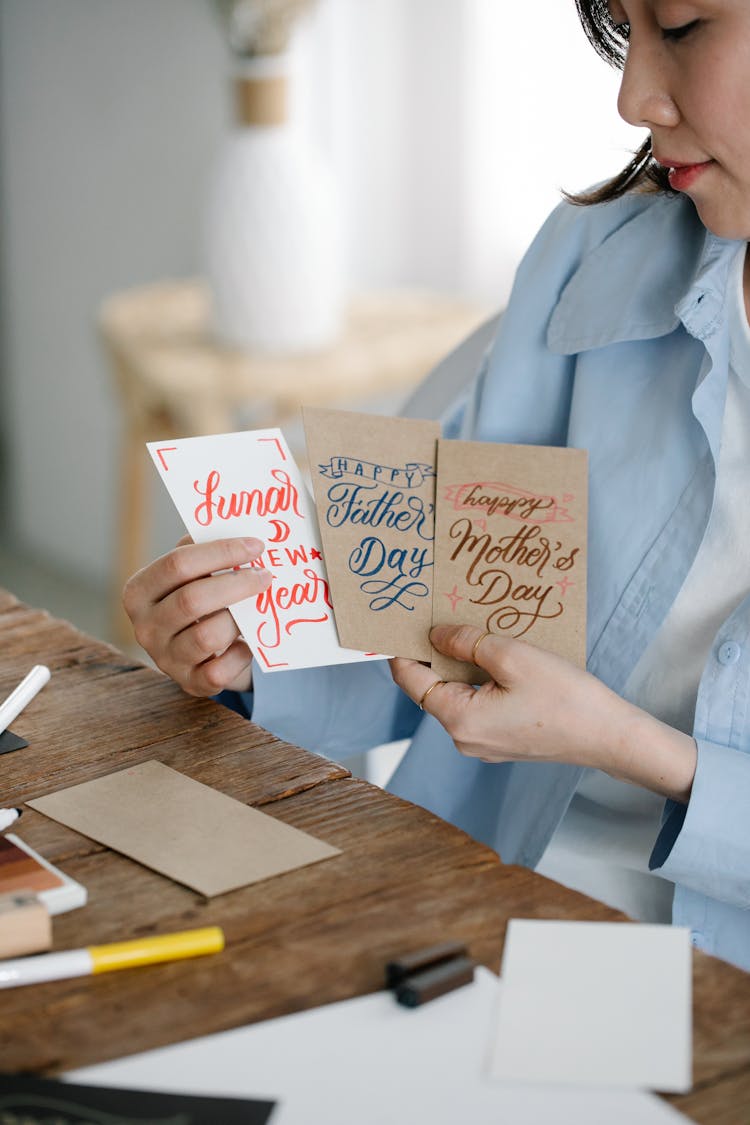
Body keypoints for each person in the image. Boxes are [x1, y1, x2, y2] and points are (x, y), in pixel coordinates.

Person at [123, 0, 750, 971]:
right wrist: (253, 643)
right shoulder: (595, 256)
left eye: (681, 24)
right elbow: (439, 618)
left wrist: (636, 749)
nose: (633, 97)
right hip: (481, 893)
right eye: (625, 32)